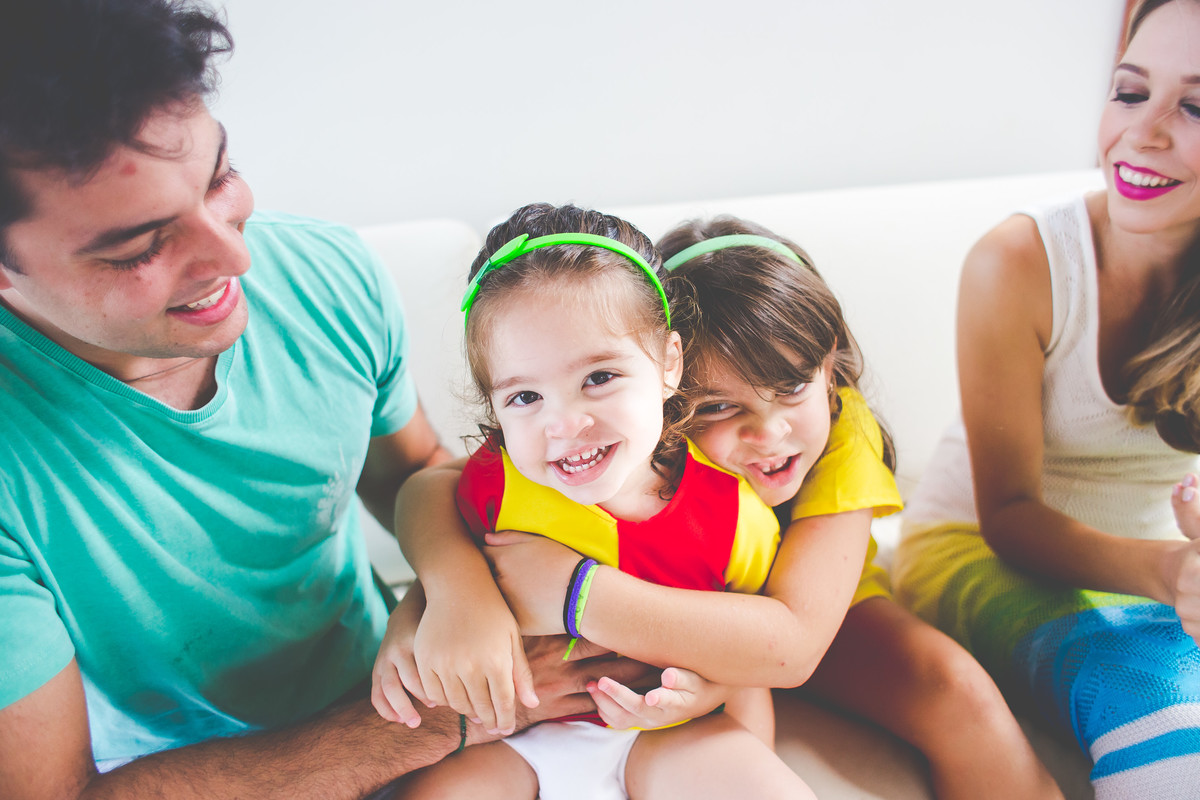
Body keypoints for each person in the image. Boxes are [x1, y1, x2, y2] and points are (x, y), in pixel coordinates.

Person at [0, 2, 650, 798]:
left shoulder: (325, 275)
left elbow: (421, 477)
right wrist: (446, 718)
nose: (235, 255)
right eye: (143, 247)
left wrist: (455, 600)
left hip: (403, 696)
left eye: (221, 179)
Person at [374, 202, 815, 799]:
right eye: (525, 397)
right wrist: (427, 609)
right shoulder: (503, 483)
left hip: (660, 735)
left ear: (667, 363)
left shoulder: (734, 512)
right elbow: (423, 498)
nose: (564, 423)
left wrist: (719, 701)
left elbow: (746, 654)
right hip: (513, 738)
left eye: (599, 378)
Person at [892, 1, 1200, 796]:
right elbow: (1011, 517)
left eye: (1194, 107)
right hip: (978, 550)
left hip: (1165, 567)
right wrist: (1171, 575)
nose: (1145, 133)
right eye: (1131, 93)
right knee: (1158, 691)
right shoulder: (1021, 261)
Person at [655, 217, 1063, 799]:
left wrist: (572, 591)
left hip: (821, 615)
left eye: (792, 387)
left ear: (830, 369)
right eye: (719, 407)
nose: (768, 432)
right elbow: (481, 485)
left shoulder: (846, 431)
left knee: (959, 690)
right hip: (692, 617)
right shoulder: (629, 446)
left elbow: (793, 642)